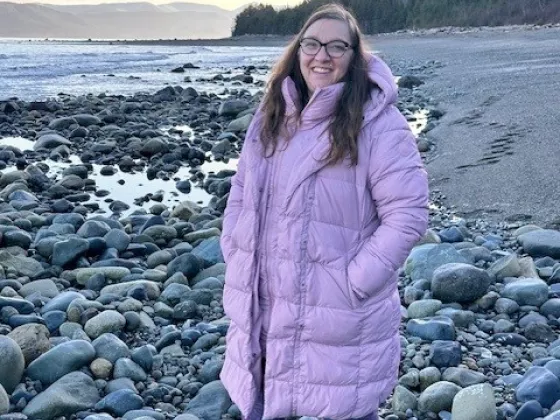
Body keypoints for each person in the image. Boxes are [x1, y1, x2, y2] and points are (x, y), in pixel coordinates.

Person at [219, 3, 429, 420]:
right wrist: (235, 249)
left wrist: (352, 282)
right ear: (297, 50)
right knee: (267, 400)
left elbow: (408, 214)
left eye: (337, 47)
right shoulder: (271, 115)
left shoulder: (378, 123)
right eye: (312, 44)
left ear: (354, 58)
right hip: (264, 300)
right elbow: (241, 192)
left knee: (339, 405)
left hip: (337, 313)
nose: (322, 56)